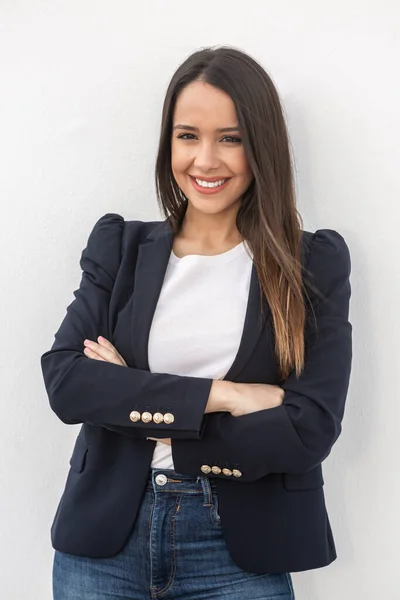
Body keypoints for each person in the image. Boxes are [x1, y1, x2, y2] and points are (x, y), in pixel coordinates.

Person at [40, 45, 352, 600]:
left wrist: (150, 415)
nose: (205, 160)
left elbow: (309, 428)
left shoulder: (311, 264)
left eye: (230, 138)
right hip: (106, 545)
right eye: (188, 136)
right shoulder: (120, 248)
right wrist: (228, 395)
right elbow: (69, 383)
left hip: (236, 552)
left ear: (262, 147)